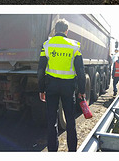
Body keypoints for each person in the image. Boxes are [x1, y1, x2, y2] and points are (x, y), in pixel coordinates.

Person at [38, 19, 86, 152]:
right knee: (70, 119)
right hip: (68, 87)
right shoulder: (75, 45)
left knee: (52, 119)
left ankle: (52, 150)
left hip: (51, 86)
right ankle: (72, 150)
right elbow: (81, 71)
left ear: (55, 30)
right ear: (67, 31)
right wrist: (82, 90)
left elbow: (41, 70)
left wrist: (41, 89)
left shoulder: (46, 45)